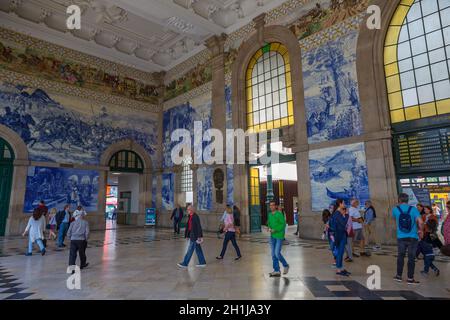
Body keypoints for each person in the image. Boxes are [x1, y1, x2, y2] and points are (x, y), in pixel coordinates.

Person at [392, 193, 423, 285]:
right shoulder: (414, 209)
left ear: (399, 200)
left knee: (400, 256)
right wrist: (420, 231)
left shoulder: (395, 209)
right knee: (411, 258)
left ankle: (398, 276)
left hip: (401, 237)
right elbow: (420, 222)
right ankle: (410, 278)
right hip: (413, 237)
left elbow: (396, 219)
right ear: (407, 200)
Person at [329, 199, 351, 276]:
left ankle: (340, 268)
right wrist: (347, 214)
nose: (344, 204)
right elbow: (343, 223)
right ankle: (339, 270)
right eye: (344, 203)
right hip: (339, 236)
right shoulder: (337, 214)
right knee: (340, 253)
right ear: (340, 204)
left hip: (340, 235)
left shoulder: (338, 213)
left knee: (341, 253)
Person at [267, 200, 289, 277]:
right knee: (273, 254)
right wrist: (269, 227)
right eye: (270, 205)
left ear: (275, 206)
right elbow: (269, 223)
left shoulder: (279, 214)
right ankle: (276, 270)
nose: (271, 206)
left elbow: (283, 224)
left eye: (273, 205)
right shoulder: (270, 214)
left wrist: (275, 229)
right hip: (272, 236)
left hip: (279, 236)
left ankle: (285, 265)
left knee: (277, 253)